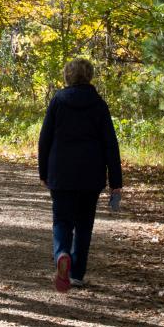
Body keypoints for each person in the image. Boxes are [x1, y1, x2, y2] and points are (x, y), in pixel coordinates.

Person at [38, 58, 122, 292]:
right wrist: (116, 181)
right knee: (84, 224)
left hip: (60, 172)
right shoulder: (98, 104)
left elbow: (45, 139)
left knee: (62, 220)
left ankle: (62, 254)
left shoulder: (57, 101)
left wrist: (43, 171)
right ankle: (76, 273)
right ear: (90, 77)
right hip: (91, 174)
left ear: (67, 76)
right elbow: (110, 144)